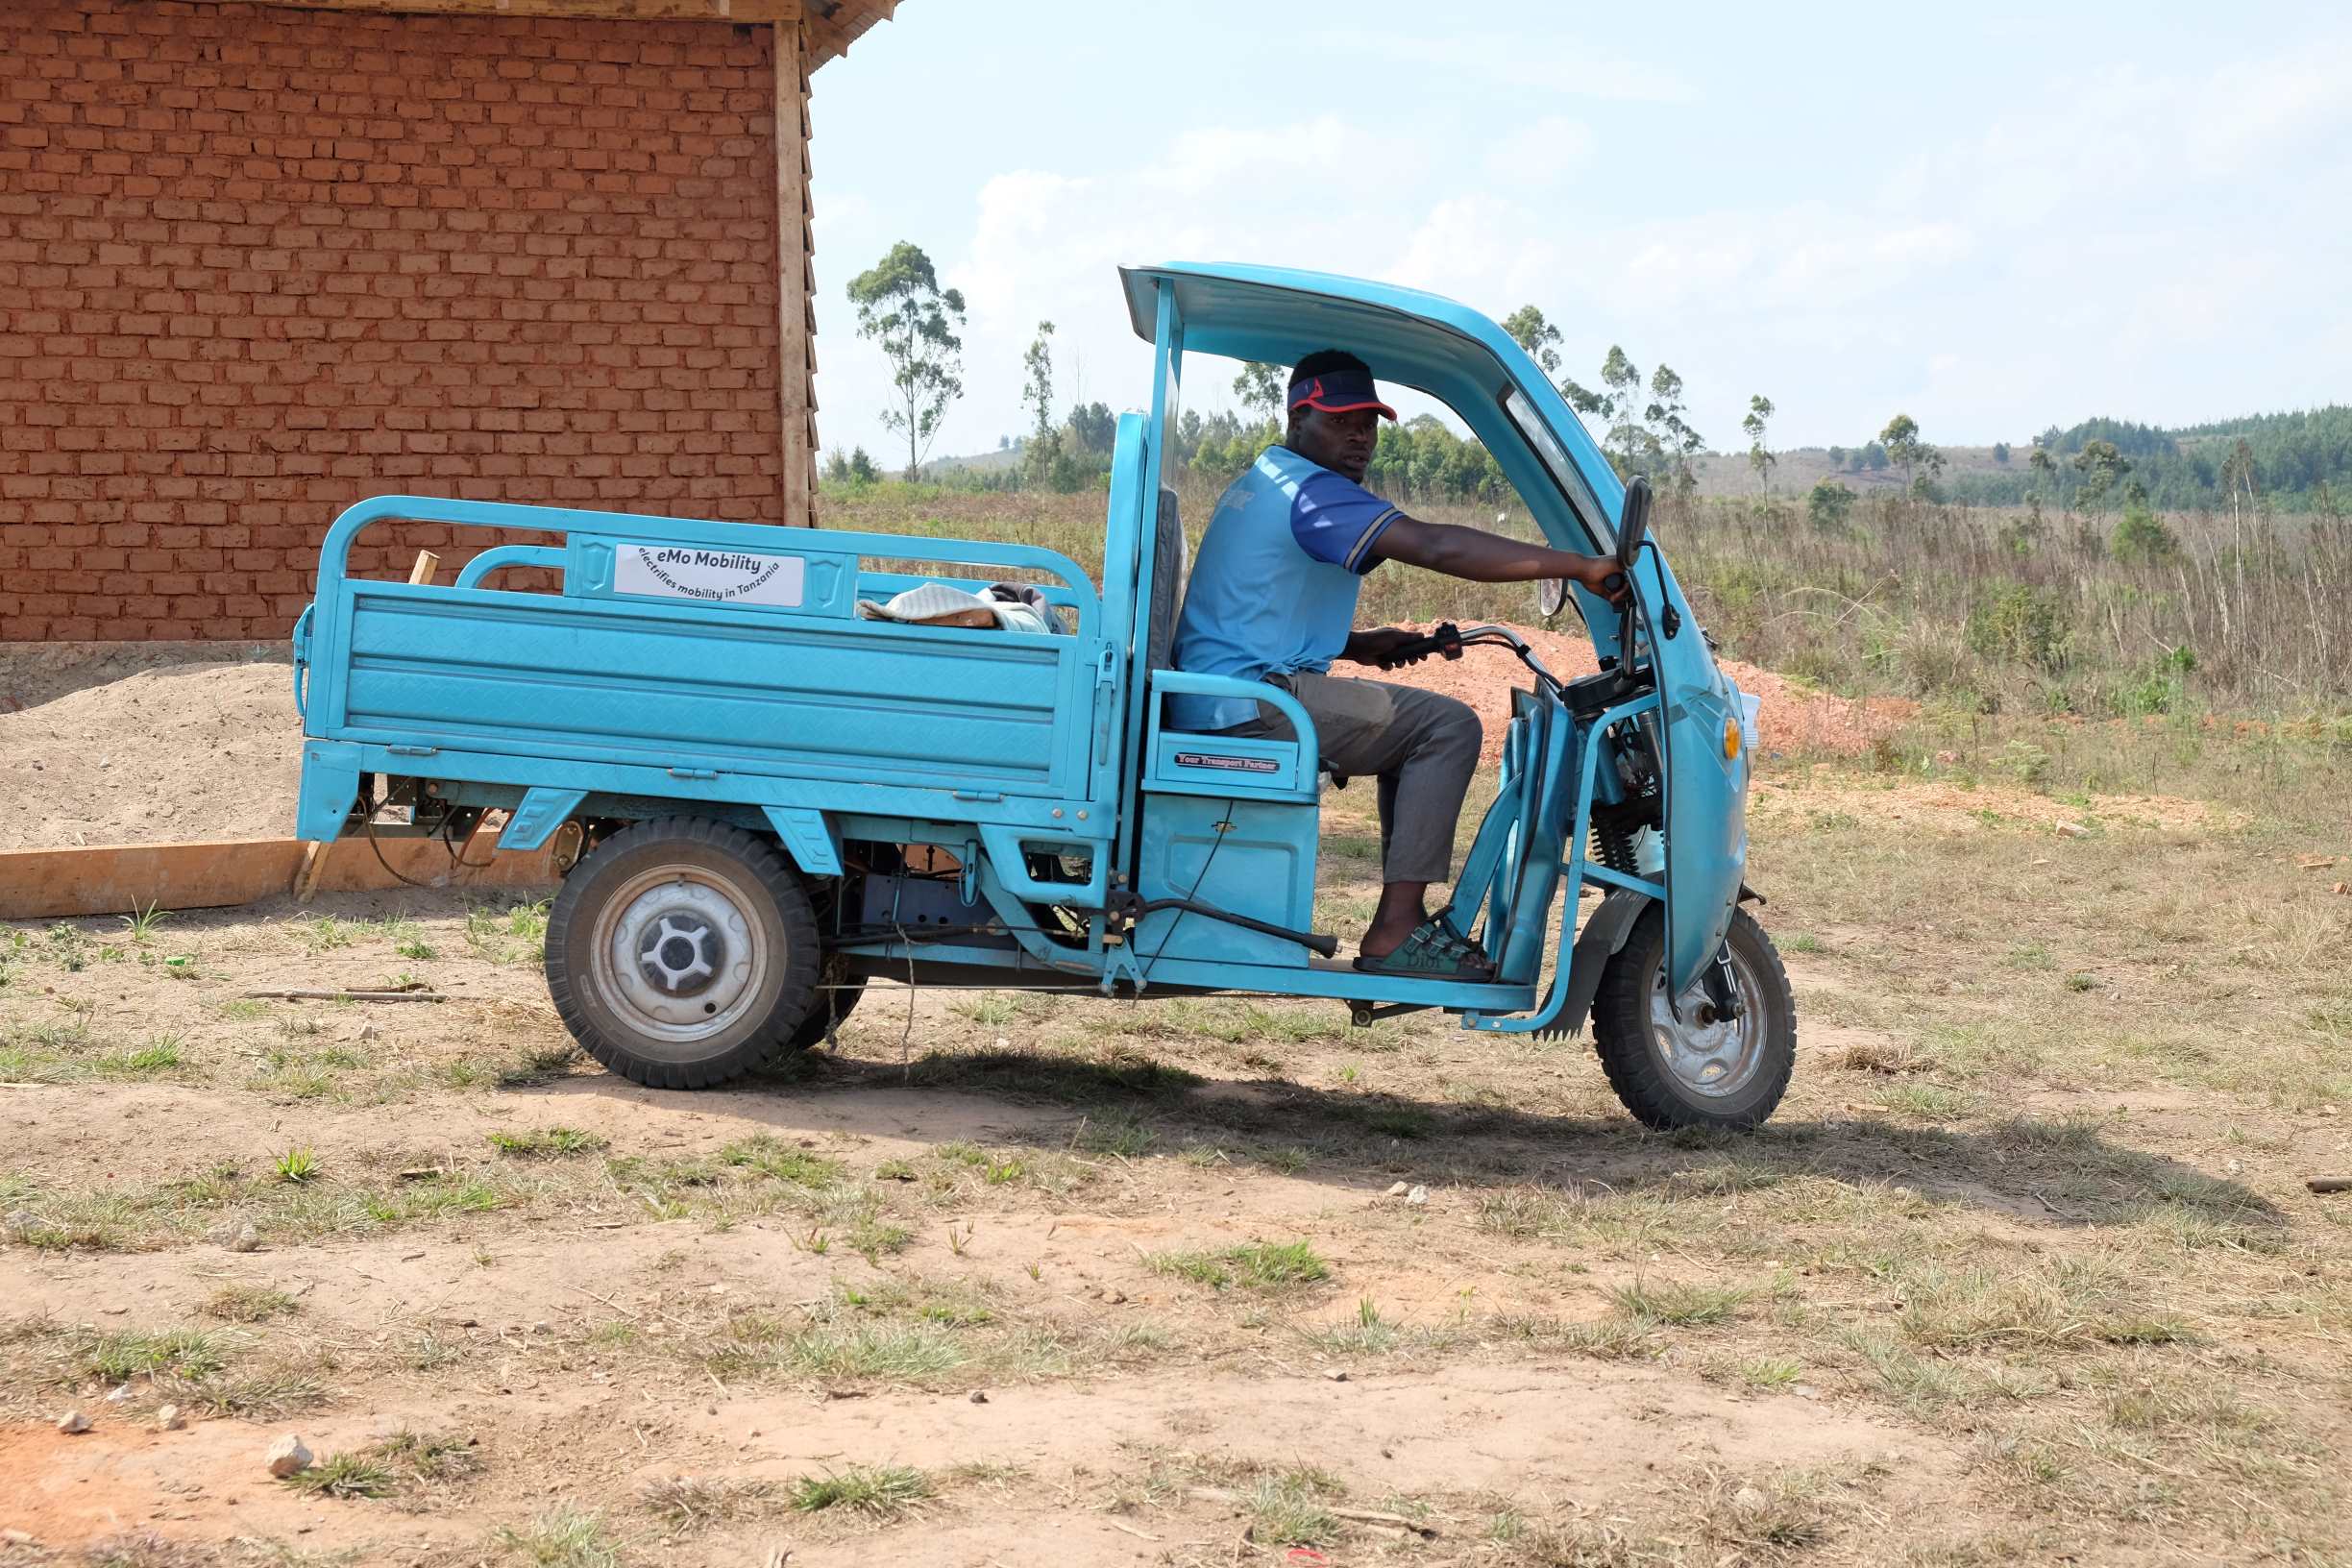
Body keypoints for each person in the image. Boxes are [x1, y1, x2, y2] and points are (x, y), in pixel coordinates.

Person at [1168, 349, 1625, 978]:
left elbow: (1250, 604)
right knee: (1448, 728)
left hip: (1224, 691)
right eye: (1341, 420)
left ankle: (1397, 921)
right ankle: (1396, 930)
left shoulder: (1265, 481)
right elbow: (1436, 544)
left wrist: (1356, 645)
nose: (1360, 438)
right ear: (1299, 415)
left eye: (1369, 423)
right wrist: (1579, 567)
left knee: (1405, 730)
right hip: (1253, 703)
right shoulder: (1312, 492)